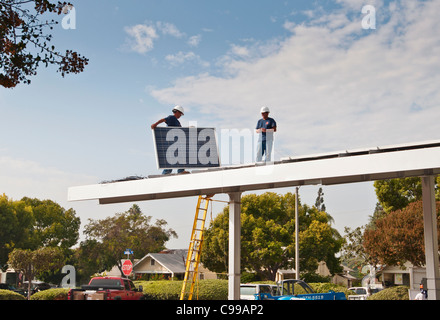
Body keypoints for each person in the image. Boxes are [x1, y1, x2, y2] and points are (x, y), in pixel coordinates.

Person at [151, 105, 188, 174]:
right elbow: (163, 120)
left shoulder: (177, 122)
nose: (180, 115)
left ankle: (181, 171)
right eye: (180, 113)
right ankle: (165, 174)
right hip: (171, 144)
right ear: (176, 112)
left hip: (177, 143)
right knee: (171, 160)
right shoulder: (172, 118)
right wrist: (155, 124)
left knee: (180, 157)